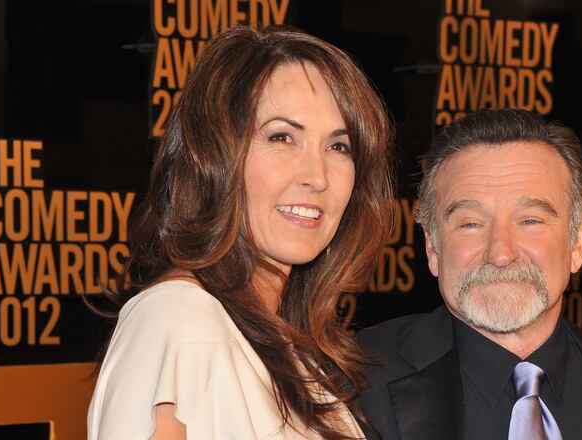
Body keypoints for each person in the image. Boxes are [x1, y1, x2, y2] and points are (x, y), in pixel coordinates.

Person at [88, 25, 393, 440]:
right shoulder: (178, 318)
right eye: (282, 137)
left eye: (338, 147)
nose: (317, 177)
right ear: (214, 158)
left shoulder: (294, 350)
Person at [355, 109, 582, 440]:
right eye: (470, 223)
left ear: (578, 240)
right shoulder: (346, 387)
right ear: (432, 246)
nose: (500, 253)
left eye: (530, 221)